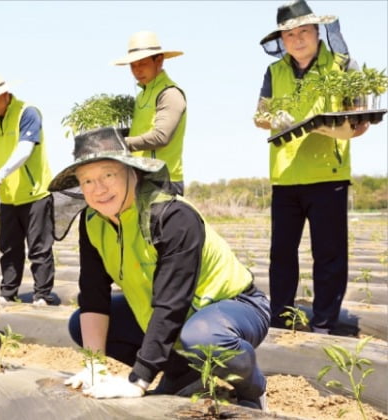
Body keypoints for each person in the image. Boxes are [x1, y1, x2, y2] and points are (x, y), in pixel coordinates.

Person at [48, 127, 270, 409]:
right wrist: (94, 365)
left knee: (202, 337)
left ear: (132, 172)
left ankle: (252, 389)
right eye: (87, 180)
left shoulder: (172, 216)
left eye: (108, 174)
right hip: (169, 314)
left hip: (233, 307)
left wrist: (138, 380)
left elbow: (171, 303)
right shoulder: (92, 221)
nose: (98, 188)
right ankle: (182, 374)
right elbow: (94, 294)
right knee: (79, 322)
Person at [254, 0, 368, 334]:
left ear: (317, 32)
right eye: (289, 34)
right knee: (282, 255)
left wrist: (323, 126)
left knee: (329, 255)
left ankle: (324, 324)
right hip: (285, 178)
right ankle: (280, 319)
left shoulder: (343, 66)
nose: (297, 39)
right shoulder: (274, 72)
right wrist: (273, 118)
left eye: (304, 31)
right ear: (281, 40)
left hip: (327, 177)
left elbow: (359, 122)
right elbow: (260, 115)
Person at [0, 73, 55, 306]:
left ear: (5, 93)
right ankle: (8, 293)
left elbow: (24, 150)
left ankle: (42, 295)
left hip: (35, 193)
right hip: (8, 196)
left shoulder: (27, 112)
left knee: (39, 248)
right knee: (9, 248)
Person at [113, 30, 187, 196]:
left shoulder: (169, 93)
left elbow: (161, 136)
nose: (137, 70)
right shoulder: (142, 95)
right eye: (133, 65)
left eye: (143, 63)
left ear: (159, 61)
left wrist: (121, 143)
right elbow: (141, 131)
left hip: (164, 181)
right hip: (140, 177)